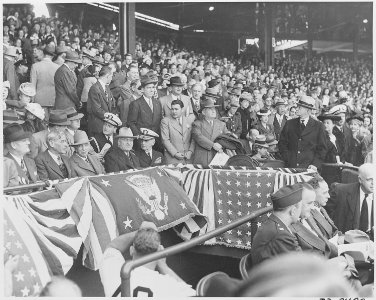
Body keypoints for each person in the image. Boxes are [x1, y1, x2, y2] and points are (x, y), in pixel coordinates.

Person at [99, 222, 195, 297]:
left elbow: (113, 246)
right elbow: (193, 295)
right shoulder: (166, 285)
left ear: (132, 250)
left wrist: (141, 232)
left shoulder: (113, 271)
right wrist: (164, 267)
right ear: (160, 252)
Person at [251, 183, 304, 265]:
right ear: (293, 211)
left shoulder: (272, 224)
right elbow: (301, 265)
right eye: (300, 208)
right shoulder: (281, 235)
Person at [278, 95, 327, 170]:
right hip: (291, 167)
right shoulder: (289, 124)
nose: (296, 109)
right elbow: (282, 143)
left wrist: (315, 164)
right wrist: (288, 158)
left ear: (308, 110)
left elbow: (322, 149)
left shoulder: (318, 126)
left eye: (299, 107)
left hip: (309, 169)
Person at [290, 183, 338, 258]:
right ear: (296, 204)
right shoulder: (289, 229)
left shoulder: (308, 215)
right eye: (309, 203)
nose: (313, 207)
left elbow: (324, 240)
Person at [327, 163, 374, 240]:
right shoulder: (341, 192)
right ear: (360, 180)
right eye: (369, 179)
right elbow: (325, 216)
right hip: (347, 239)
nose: (374, 183)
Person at [192, 96, 230, 167]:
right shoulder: (197, 124)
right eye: (210, 109)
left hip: (219, 158)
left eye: (214, 109)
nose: (213, 111)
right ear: (203, 112)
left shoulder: (222, 124)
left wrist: (222, 144)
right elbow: (199, 137)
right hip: (203, 159)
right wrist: (213, 145)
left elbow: (227, 137)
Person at [128, 73, 163, 150]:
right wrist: (139, 136)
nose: (152, 90)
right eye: (148, 87)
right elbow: (131, 123)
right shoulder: (136, 104)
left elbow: (159, 121)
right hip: (142, 142)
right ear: (142, 89)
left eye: (153, 87)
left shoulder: (157, 103)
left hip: (156, 142)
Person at [160, 99, 195, 164]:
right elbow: (165, 140)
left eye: (176, 109)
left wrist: (190, 151)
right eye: (172, 109)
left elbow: (194, 138)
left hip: (188, 158)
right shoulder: (165, 121)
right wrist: (175, 153)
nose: (174, 111)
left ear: (182, 110)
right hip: (172, 158)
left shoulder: (189, 120)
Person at [29, 44, 59, 120]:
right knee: (52, 123)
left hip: (39, 100)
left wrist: (32, 100)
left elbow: (32, 86)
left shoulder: (35, 66)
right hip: (53, 99)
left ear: (43, 53)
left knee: (41, 124)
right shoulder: (57, 67)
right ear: (53, 56)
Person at [87, 66, 118, 136]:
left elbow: (112, 103)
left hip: (106, 124)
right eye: (111, 76)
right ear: (107, 76)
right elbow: (96, 109)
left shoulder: (106, 87)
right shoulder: (94, 88)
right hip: (98, 125)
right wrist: (110, 118)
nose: (112, 78)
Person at [307, 174, 339, 240]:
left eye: (328, 191)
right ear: (313, 193)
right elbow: (320, 240)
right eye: (324, 193)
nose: (328, 196)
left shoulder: (321, 208)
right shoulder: (308, 214)